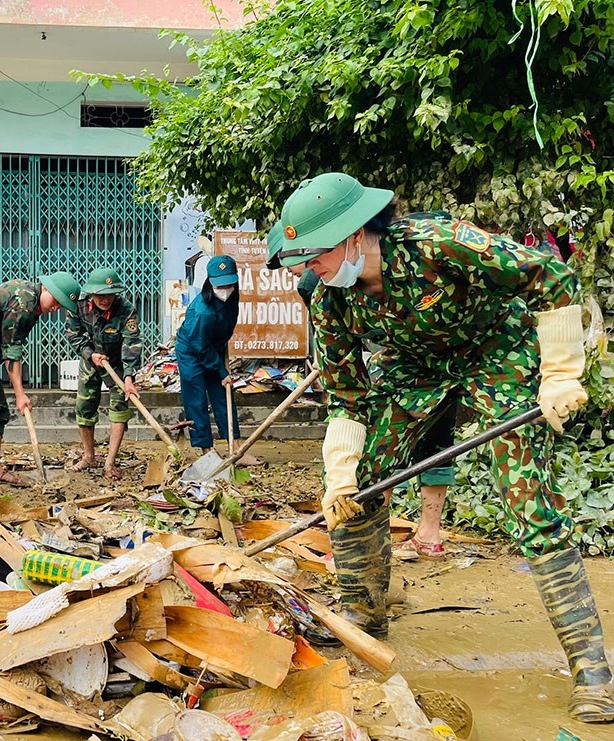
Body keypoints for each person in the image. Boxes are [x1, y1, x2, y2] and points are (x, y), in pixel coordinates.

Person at [273, 172, 608, 722]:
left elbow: (549, 275)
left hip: (497, 355)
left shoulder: (439, 243)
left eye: (315, 254)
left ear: (354, 234)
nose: (307, 268)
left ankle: (593, 671)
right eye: (301, 259)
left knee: (529, 502)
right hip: (414, 373)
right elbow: (346, 394)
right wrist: (341, 473)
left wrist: (561, 371)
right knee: (362, 485)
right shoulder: (329, 298)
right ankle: (363, 617)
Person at [269, 222, 453, 560]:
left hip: (409, 366)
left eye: (292, 261)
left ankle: (399, 538)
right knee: (388, 453)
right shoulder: (321, 280)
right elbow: (333, 338)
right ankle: (386, 546)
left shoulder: (323, 277)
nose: (297, 269)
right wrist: (330, 360)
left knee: (406, 446)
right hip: (396, 364)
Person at [0, 272, 81, 497]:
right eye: (56, 300)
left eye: (61, 306)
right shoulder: (23, 302)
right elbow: (12, 352)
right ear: (46, 288)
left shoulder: (33, 303)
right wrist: (20, 394)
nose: (55, 308)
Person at [174, 256, 261, 465]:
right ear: (210, 282)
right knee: (196, 399)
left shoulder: (232, 298)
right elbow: (201, 346)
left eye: (228, 284)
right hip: (192, 351)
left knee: (223, 394)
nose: (225, 289)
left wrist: (221, 360)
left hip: (214, 348)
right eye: (220, 285)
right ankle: (207, 450)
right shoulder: (202, 311)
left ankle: (236, 448)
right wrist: (221, 371)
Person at [64, 268, 141, 479]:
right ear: (91, 293)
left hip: (116, 362)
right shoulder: (79, 305)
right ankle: (89, 456)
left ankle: (110, 463)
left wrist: (128, 377)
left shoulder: (126, 310)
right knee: (84, 407)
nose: (105, 299)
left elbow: (131, 342)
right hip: (91, 359)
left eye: (110, 294)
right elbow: (72, 334)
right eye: (100, 295)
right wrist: (90, 354)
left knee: (119, 408)